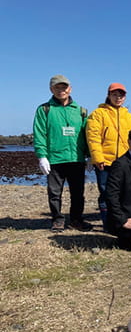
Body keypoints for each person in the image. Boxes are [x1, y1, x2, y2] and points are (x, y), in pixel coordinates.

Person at [33, 74, 91, 232]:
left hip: (76, 158)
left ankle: (76, 220)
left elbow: (87, 135)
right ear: (51, 89)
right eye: (57, 87)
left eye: (64, 87)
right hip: (55, 159)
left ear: (70, 89)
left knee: (78, 194)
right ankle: (58, 220)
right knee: (54, 193)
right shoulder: (44, 109)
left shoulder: (81, 111)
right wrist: (42, 156)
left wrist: (90, 155)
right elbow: (39, 134)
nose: (61, 90)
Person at [86, 83, 131, 230]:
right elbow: (93, 137)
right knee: (106, 194)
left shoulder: (130, 117)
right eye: (114, 94)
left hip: (124, 163)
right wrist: (97, 158)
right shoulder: (98, 114)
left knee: (124, 195)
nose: (118, 97)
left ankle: (122, 223)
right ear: (109, 95)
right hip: (105, 162)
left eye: (121, 95)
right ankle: (108, 224)